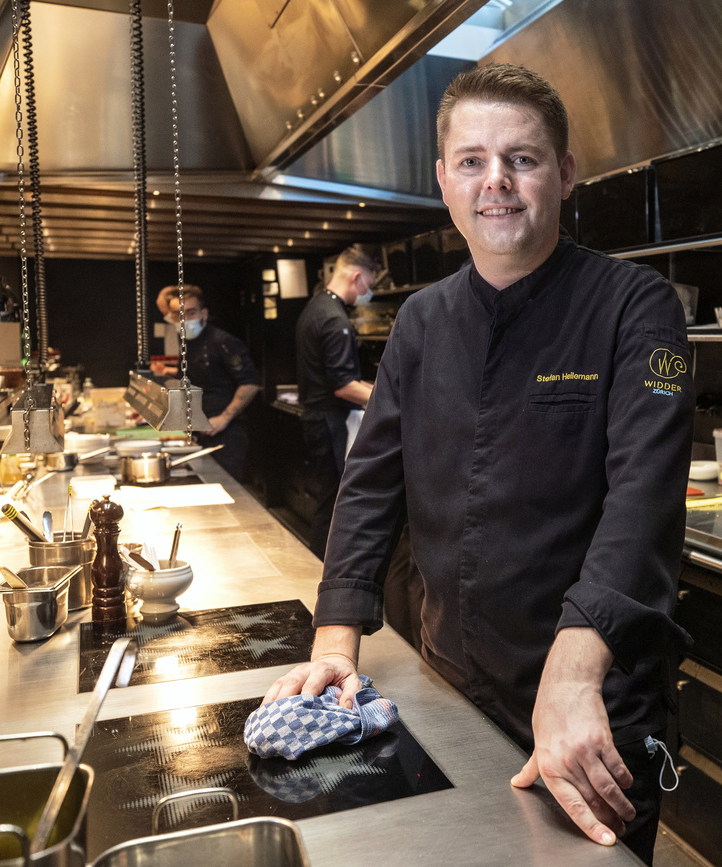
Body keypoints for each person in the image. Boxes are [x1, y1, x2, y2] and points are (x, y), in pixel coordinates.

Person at [264, 64, 693, 864]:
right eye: (472, 161)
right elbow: (371, 484)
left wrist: (570, 680)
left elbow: (645, 499)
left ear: (564, 174)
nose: (496, 181)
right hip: (453, 688)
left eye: (522, 159)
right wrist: (334, 641)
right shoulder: (423, 322)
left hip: (591, 701)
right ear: (444, 179)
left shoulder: (635, 305)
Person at [294, 246, 376, 559]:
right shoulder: (334, 318)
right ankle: (322, 571)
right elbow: (343, 387)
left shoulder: (315, 307)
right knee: (333, 502)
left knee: (327, 498)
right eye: (368, 284)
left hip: (316, 419)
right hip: (330, 422)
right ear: (356, 276)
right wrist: (385, 399)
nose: (367, 291)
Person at [153, 284, 261, 480]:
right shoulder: (187, 341)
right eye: (178, 315)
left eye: (191, 312)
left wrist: (224, 417)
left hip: (225, 434)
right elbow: (201, 373)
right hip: (199, 431)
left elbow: (251, 382)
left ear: (204, 313)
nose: (184, 320)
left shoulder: (223, 341)